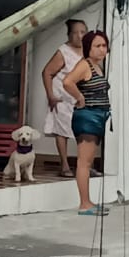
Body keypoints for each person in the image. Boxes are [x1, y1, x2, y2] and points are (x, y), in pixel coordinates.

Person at [62, 30, 111, 217]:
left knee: (87, 162)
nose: (101, 50)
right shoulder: (84, 65)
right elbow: (67, 82)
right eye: (97, 46)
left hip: (97, 116)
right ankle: (84, 203)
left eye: (104, 46)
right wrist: (79, 97)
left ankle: (88, 201)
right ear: (88, 48)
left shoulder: (97, 66)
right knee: (84, 162)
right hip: (87, 117)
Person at [42, 19, 88, 178]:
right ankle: (65, 166)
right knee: (62, 131)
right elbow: (47, 72)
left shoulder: (88, 50)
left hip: (79, 98)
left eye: (82, 32)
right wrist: (50, 96)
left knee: (84, 132)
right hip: (61, 96)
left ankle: (85, 166)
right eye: (75, 33)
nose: (79, 36)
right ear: (69, 35)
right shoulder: (63, 51)